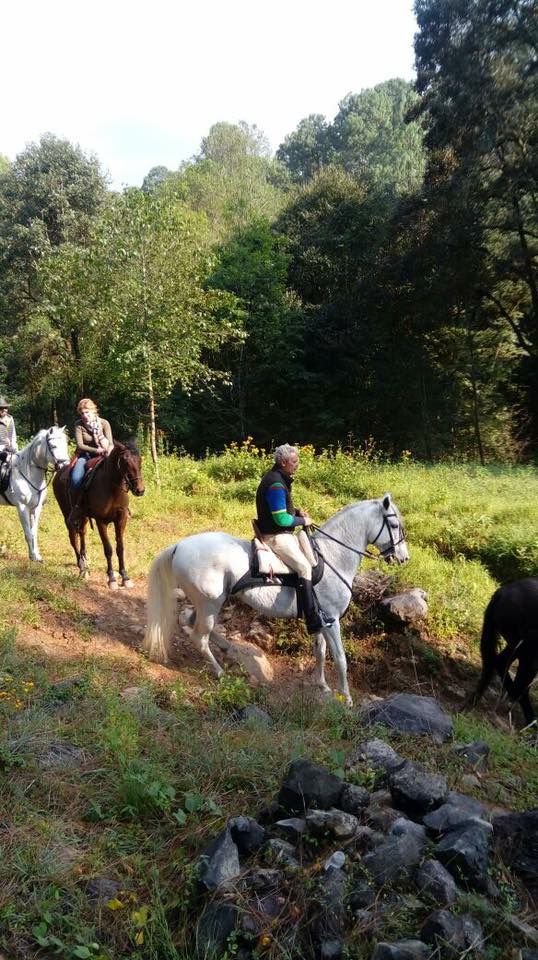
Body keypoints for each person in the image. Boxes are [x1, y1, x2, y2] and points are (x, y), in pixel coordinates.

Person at [255, 443, 333, 633]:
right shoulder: (276, 484)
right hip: (275, 536)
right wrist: (303, 519)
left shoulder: (278, 478)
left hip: (279, 531)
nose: (297, 464)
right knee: (304, 567)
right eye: (294, 461)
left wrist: (296, 512)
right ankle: (312, 620)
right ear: (283, 462)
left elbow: (280, 509)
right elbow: (281, 519)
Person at [68, 398, 113, 529]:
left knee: (118, 474)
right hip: (85, 455)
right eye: (82, 413)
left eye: (87, 412)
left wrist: (107, 450)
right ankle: (77, 508)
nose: (84, 416)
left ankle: (123, 506)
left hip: (104, 455)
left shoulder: (104, 423)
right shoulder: (79, 424)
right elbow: (80, 445)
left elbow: (110, 442)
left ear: (94, 411)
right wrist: (96, 449)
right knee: (76, 479)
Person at [0, 397, 18, 467]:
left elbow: (13, 435)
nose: (4, 410)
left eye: (6, 408)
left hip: (11, 448)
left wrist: (15, 447)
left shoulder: (10, 418)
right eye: (2, 408)